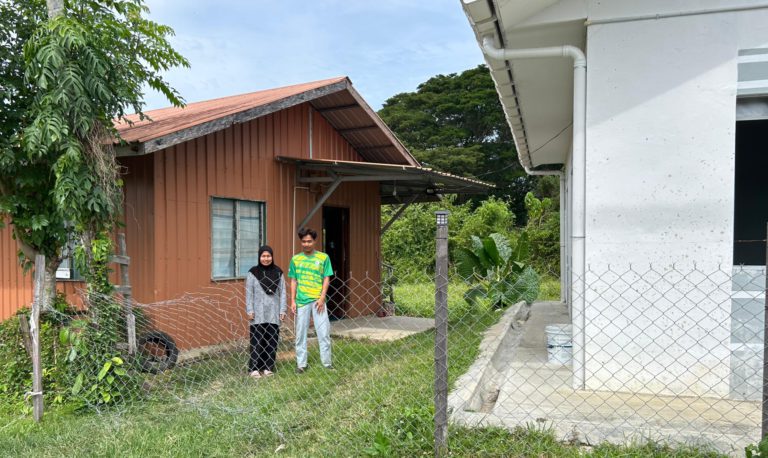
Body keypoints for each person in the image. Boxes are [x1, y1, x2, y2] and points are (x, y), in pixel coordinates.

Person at [289, 228, 334, 373]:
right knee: (300, 333)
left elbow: (327, 277)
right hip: (301, 301)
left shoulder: (323, 258)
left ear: (314, 241)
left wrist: (322, 297)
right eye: (303, 241)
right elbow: (293, 280)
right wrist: (293, 301)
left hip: (318, 301)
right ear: (300, 242)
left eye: (309, 241)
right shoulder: (296, 259)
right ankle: (301, 364)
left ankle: (327, 363)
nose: (306, 244)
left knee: (323, 332)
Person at [245, 245, 287, 379]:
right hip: (257, 313)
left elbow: (283, 292)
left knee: (271, 340)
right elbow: (249, 293)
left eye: (268, 256)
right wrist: (249, 309)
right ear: (259, 257)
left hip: (273, 312)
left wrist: (282, 310)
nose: (266, 258)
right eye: (263, 256)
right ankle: (254, 368)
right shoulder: (253, 272)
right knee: (257, 340)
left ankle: (268, 367)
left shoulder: (278, 272)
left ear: (272, 257)